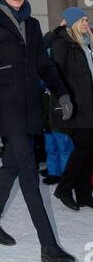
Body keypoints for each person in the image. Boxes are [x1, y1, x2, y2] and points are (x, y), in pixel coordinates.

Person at [0, 0, 76, 262]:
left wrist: (63, 93)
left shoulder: (32, 25)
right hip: (6, 108)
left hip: (30, 106)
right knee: (28, 172)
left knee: (11, 167)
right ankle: (48, 244)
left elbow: (45, 66)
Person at [51, 7, 93, 210]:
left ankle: (84, 193)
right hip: (76, 104)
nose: (87, 23)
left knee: (89, 149)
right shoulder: (62, 43)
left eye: (87, 20)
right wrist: (65, 100)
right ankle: (64, 188)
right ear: (74, 22)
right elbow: (56, 73)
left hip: (89, 104)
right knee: (83, 147)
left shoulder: (85, 45)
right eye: (83, 20)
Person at [41, 32, 74, 185]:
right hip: (48, 113)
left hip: (60, 110)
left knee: (64, 146)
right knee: (51, 145)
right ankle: (54, 172)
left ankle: (66, 176)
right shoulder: (43, 65)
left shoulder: (65, 63)